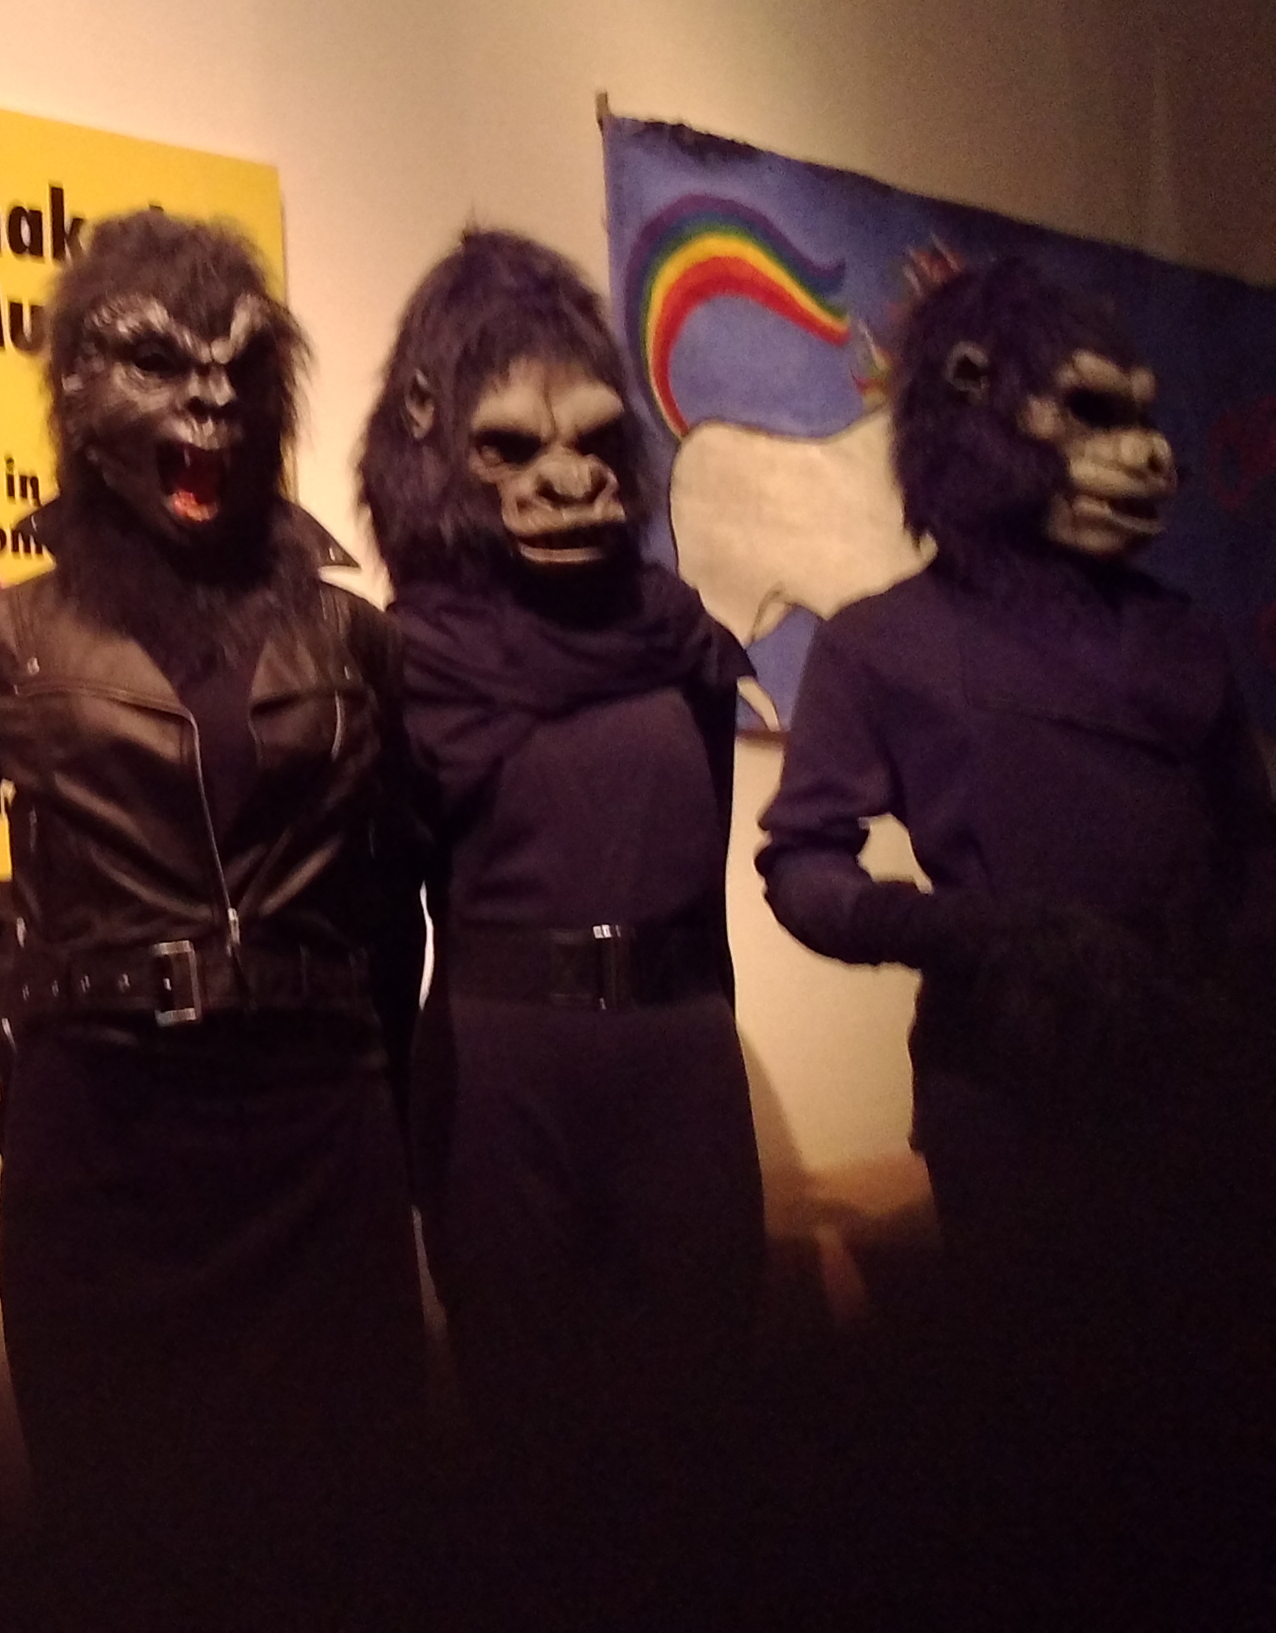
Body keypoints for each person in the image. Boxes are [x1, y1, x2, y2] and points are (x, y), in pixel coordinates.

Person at [0, 213, 430, 1629]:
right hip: (106, 1137)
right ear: (78, 394)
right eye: (157, 363)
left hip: (319, 1131)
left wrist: (374, 1065)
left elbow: (392, 888)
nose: (209, 402)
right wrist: (25, 1018)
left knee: (349, 1514)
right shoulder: (7, 640)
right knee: (123, 1516)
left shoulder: (353, 638)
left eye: (239, 370)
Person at [758, 257, 1276, 1594]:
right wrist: (973, 933)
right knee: (1043, 1452)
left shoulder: (1182, 635)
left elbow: (1251, 843)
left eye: (1142, 414)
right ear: (975, 398)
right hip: (1014, 1089)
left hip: (1205, 1089)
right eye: (1093, 413)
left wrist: (1235, 989)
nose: (1144, 454)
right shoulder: (882, 642)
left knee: (1210, 1444)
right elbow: (802, 862)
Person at [356, 227, 763, 1611]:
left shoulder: (672, 629)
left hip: (677, 1053)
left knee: (705, 1428)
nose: (569, 477)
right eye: (511, 448)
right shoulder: (414, 659)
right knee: (529, 1438)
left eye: (593, 440)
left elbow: (704, 869)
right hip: (498, 1067)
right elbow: (384, 916)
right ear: (436, 448)